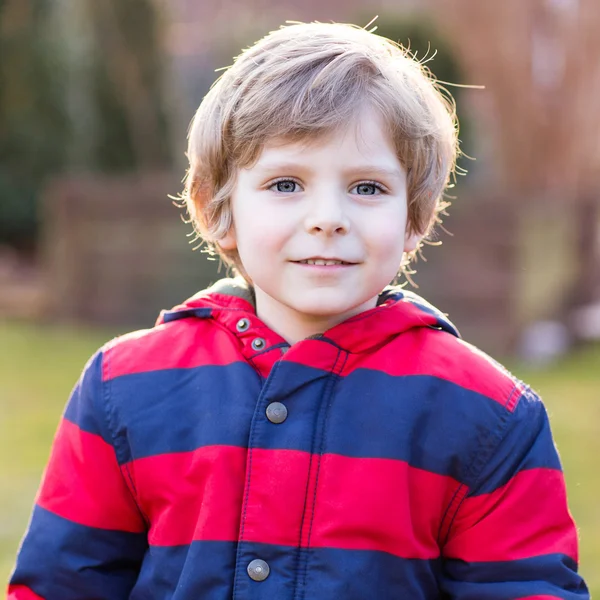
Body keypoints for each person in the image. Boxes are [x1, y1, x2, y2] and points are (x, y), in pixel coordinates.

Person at [8, 21, 589, 600]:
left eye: (367, 188)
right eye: (286, 184)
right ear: (217, 210)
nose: (328, 217)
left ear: (415, 218)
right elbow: (62, 585)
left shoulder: (489, 413)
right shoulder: (122, 388)